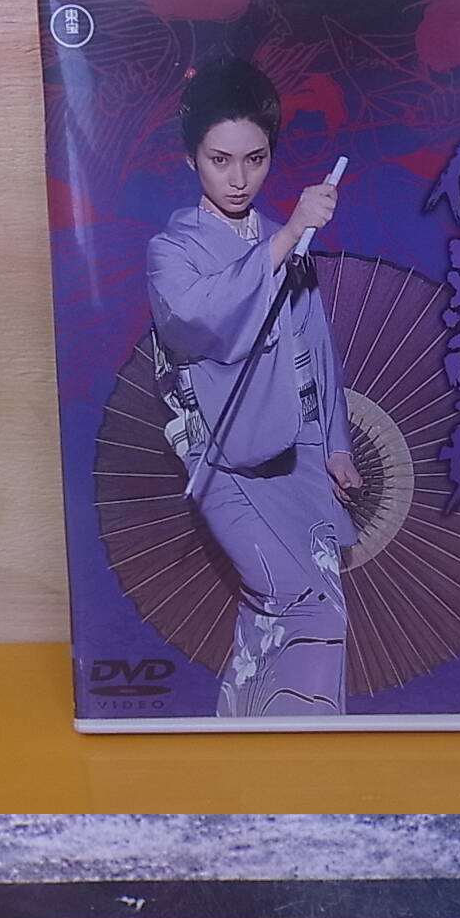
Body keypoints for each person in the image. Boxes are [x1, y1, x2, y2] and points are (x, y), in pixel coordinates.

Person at [146, 53, 362, 719]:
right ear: (191, 158)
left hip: (299, 452)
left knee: (298, 607)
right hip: (225, 453)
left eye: (255, 159)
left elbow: (314, 347)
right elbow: (197, 317)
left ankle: (245, 732)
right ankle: (300, 743)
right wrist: (290, 235)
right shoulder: (172, 251)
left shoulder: (281, 240)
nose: (239, 179)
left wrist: (336, 442)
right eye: (220, 160)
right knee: (296, 600)